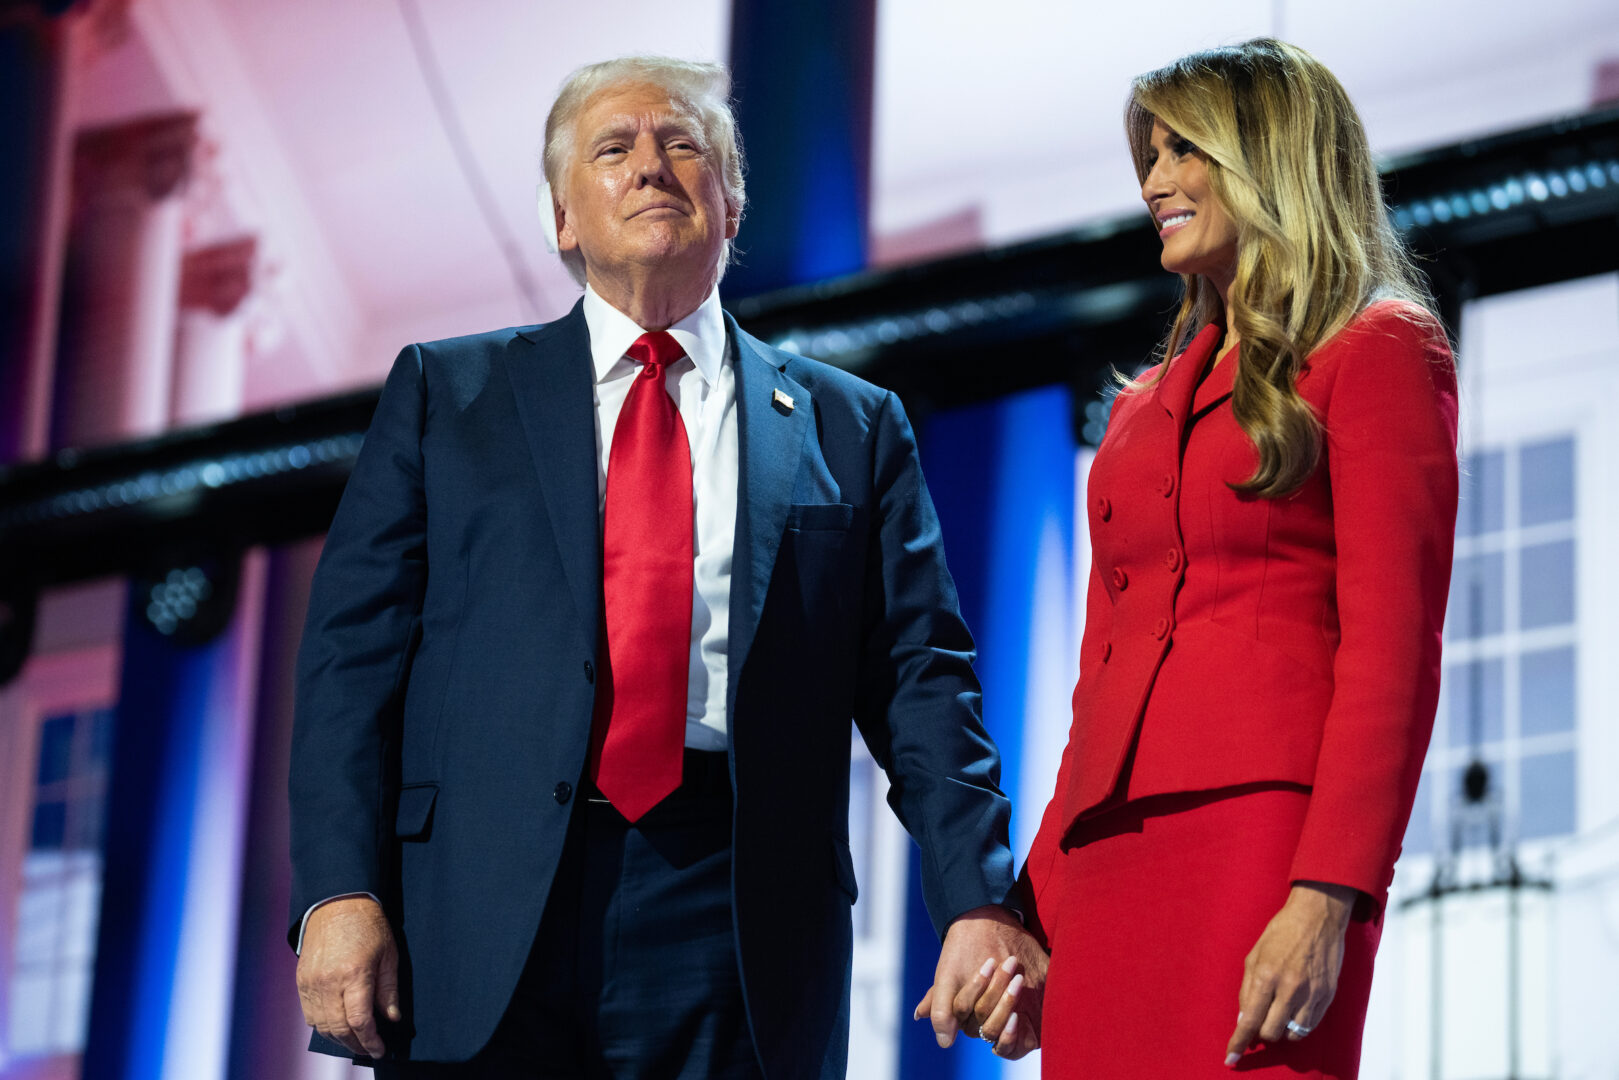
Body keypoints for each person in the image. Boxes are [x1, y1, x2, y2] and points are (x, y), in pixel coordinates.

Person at [288, 55, 1042, 1079]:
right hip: (477, 903)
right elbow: (350, 665)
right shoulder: (445, 394)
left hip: (736, 911)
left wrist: (979, 898)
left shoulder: (849, 426)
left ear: (730, 202)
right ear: (563, 217)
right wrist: (338, 891)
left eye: (680, 144)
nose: (649, 166)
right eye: (613, 148)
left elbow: (922, 681)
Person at [951, 39, 1460, 1074]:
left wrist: (1329, 892)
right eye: (1151, 153)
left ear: (1263, 158)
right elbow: (1097, 686)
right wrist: (1029, 910)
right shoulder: (1137, 413)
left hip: (1263, 843)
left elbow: (1391, 651)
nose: (1154, 181)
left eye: (1186, 150)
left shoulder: (1376, 350)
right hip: (1097, 865)